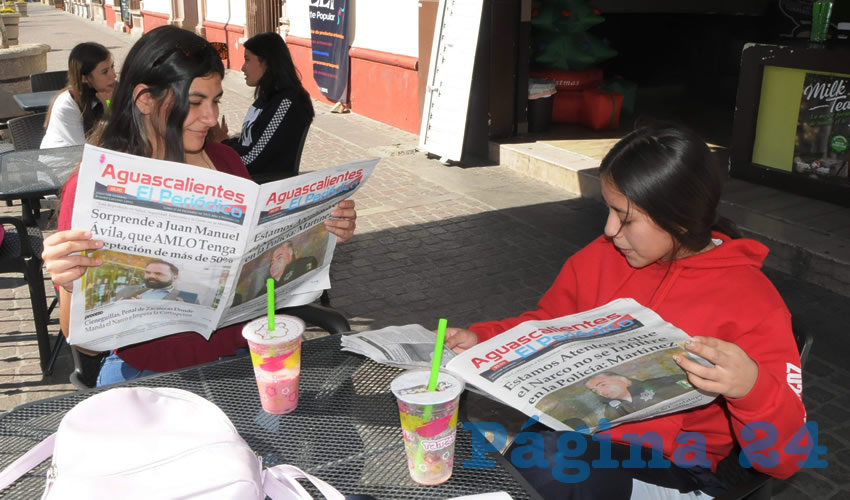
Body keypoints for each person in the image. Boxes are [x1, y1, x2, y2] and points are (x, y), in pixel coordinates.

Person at [441, 123, 807, 498]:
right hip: (569, 438)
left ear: (680, 217)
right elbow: (547, 325)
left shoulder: (753, 302)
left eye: (626, 217)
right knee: (514, 468)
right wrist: (483, 339)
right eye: (609, 210)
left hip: (675, 467)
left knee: (551, 469)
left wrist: (751, 387)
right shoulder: (601, 257)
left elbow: (785, 459)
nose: (610, 229)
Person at [41, 26, 357, 387]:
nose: (210, 118)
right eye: (195, 102)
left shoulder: (226, 164)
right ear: (144, 99)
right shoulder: (91, 187)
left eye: (216, 100)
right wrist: (68, 283)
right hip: (146, 375)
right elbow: (85, 343)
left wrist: (320, 229)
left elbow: (265, 272)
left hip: (242, 364)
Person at [211, 32, 314, 183]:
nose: (242, 68)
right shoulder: (268, 97)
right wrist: (230, 141)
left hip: (262, 186)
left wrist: (224, 143)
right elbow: (256, 143)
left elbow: (251, 159)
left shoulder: (287, 102)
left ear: (266, 62)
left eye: (247, 60)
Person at [41, 42, 116, 148]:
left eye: (112, 67)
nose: (113, 75)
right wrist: (107, 114)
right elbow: (86, 151)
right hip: (60, 160)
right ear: (84, 78)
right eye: (105, 72)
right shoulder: (67, 105)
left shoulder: (108, 95)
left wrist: (109, 105)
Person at [585, 371, 693, 421]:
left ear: (623, 380)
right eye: (595, 391)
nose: (601, 392)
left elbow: (687, 383)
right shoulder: (610, 411)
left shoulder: (656, 384)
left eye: (603, 385)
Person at [114, 259, 199, 304]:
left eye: (158, 273)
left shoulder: (188, 298)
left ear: (175, 278)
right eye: (148, 272)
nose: (151, 276)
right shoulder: (126, 290)